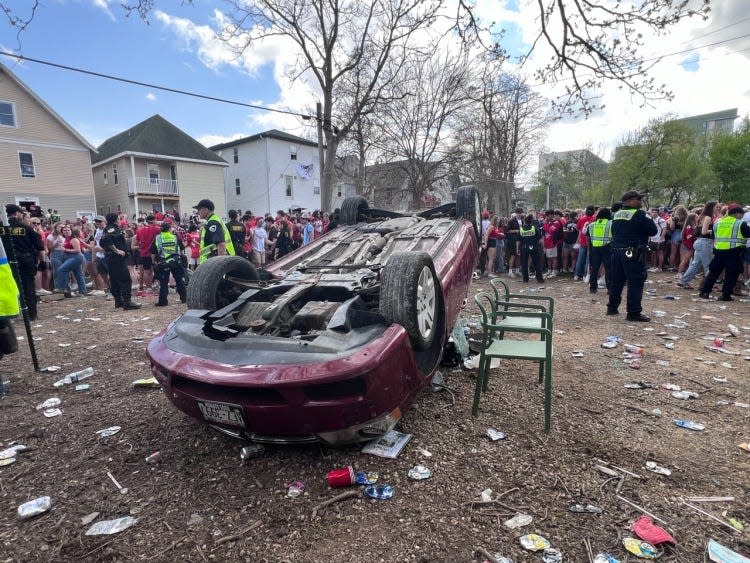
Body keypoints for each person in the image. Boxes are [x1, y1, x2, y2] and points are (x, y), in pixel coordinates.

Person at [606, 191, 657, 322]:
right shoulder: (640, 214)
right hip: (632, 252)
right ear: (629, 201)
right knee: (635, 281)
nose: (640, 202)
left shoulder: (616, 214)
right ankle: (633, 312)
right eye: (638, 199)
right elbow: (653, 230)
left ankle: (612, 307)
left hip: (616, 251)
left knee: (617, 280)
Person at [699, 205, 750, 301]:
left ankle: (704, 292)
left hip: (719, 251)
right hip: (734, 251)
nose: (742, 217)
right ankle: (725, 295)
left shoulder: (718, 223)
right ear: (737, 213)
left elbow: (714, 236)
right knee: (731, 274)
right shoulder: (740, 223)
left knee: (713, 273)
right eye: (741, 215)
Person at [5, 204, 44, 320]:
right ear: (17, 213)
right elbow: (39, 247)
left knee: (11, 287)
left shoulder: (2, 228)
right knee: (28, 287)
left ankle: (12, 314)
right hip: (25, 260)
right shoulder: (26, 228)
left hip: (8, 262)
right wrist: (42, 261)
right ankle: (31, 315)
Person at [100, 213, 142, 310]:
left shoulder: (107, 229)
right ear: (116, 220)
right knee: (125, 279)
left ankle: (118, 301)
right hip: (116, 258)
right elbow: (107, 240)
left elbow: (102, 242)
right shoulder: (112, 229)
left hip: (111, 258)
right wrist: (116, 250)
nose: (120, 220)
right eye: (119, 219)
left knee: (114, 280)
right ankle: (127, 302)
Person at [678, 201, 719, 289]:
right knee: (709, 265)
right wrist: (715, 230)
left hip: (700, 242)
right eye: (717, 207)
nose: (718, 209)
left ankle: (683, 281)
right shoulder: (708, 217)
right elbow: (704, 231)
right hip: (705, 242)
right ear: (712, 208)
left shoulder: (701, 217)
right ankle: (710, 284)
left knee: (695, 265)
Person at [151, 221, 187, 307]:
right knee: (179, 280)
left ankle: (163, 301)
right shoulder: (175, 237)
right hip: (175, 261)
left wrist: (153, 262)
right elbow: (182, 250)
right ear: (169, 229)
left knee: (163, 282)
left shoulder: (158, 238)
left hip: (163, 263)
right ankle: (184, 298)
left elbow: (153, 252)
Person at [194, 199, 234, 264]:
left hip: (214, 263)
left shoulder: (213, 223)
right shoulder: (211, 222)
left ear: (206, 210)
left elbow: (221, 245)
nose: (197, 212)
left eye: (199, 209)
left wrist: (219, 266)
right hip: (211, 261)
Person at [586, 207, 612, 294]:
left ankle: (593, 288)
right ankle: (610, 288)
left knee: (594, 268)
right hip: (607, 247)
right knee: (609, 268)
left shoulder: (592, 225)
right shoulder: (611, 224)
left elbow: (588, 237)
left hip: (594, 248)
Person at [519, 214, 544, 283]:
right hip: (534, 247)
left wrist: (517, 249)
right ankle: (539, 279)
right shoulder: (534, 228)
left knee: (524, 263)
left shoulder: (521, 228)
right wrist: (542, 247)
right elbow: (540, 238)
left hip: (524, 247)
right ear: (531, 221)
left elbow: (518, 240)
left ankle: (525, 279)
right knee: (537, 263)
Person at [574, 206, 596, 281]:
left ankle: (577, 275)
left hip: (583, 241)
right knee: (588, 259)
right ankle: (585, 275)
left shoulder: (582, 218)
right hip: (591, 241)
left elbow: (577, 228)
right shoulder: (595, 219)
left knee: (580, 258)